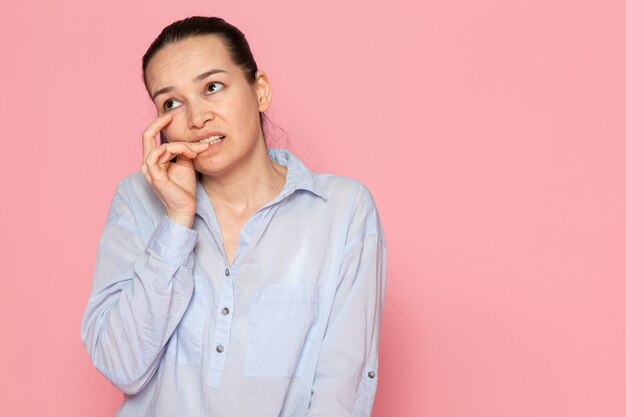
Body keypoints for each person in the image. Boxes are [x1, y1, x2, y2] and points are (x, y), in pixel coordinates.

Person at [80, 16, 386, 417]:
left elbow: (341, 389)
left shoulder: (342, 212)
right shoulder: (137, 201)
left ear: (259, 91)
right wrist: (175, 221)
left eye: (212, 87)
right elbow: (121, 366)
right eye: (171, 103)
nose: (195, 118)